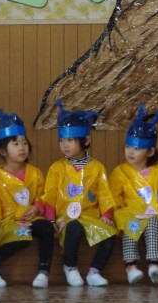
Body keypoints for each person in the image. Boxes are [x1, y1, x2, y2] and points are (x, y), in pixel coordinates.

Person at [0, 109, 55, 288]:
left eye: (24, 143)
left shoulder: (35, 173)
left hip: (30, 218)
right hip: (8, 223)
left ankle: (43, 272)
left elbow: (43, 196)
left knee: (46, 228)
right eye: (15, 143)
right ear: (3, 151)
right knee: (21, 236)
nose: (21, 147)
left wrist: (36, 208)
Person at [43, 101, 117, 287]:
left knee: (110, 234)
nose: (65, 145)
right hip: (65, 218)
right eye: (62, 140)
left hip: (90, 217)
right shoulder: (56, 168)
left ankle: (94, 271)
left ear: (86, 141)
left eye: (71, 140)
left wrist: (106, 214)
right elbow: (49, 196)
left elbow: (105, 194)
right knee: (74, 227)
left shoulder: (97, 168)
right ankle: (70, 266)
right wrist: (50, 220)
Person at [110, 104, 158, 284]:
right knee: (129, 226)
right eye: (128, 147)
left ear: (150, 151)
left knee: (153, 221)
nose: (130, 152)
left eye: (136, 149)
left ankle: (154, 264)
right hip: (129, 213)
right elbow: (113, 196)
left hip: (152, 211)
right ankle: (131, 266)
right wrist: (113, 214)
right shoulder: (120, 172)